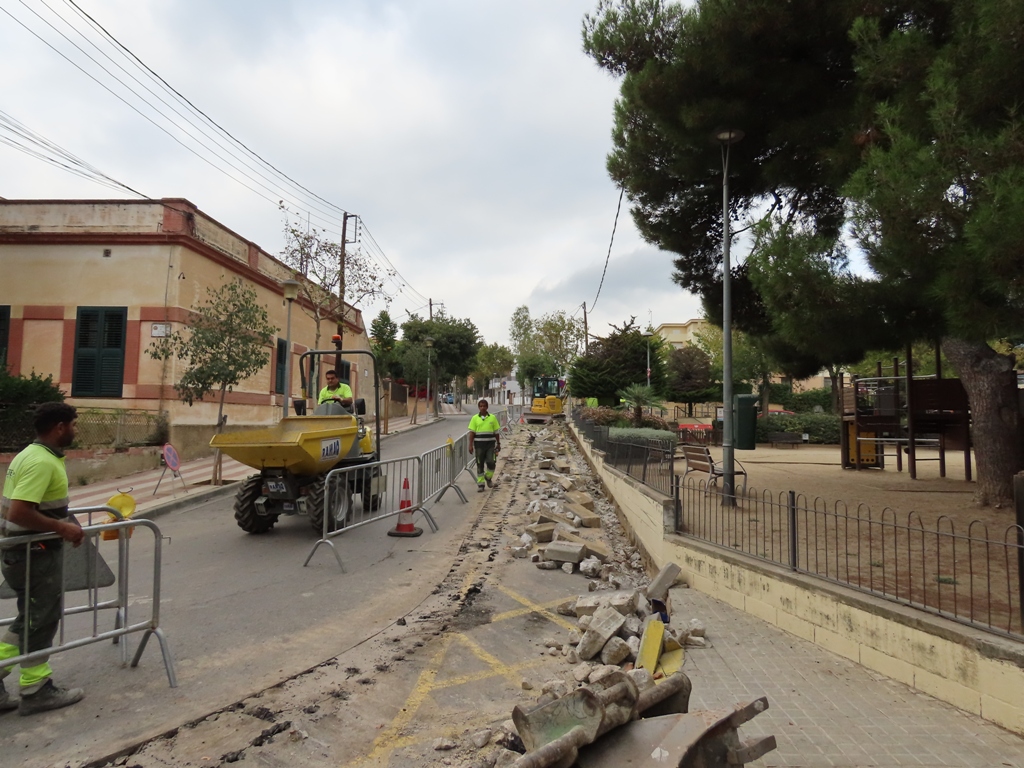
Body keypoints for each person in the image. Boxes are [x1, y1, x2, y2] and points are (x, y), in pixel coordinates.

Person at [0, 402, 86, 716]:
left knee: (28, 619)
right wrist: (62, 527)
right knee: (42, 619)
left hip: (21, 551)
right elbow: (20, 511)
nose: (75, 431)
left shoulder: (28, 454)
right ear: (60, 427)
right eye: (73, 425)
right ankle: (35, 690)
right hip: (34, 552)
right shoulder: (41, 462)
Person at [468, 398, 501, 492]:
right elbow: (472, 433)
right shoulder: (475, 418)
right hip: (479, 445)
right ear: (479, 407)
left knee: (491, 462)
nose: (482, 408)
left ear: (487, 407)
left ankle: (488, 477)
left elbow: (496, 432)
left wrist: (498, 444)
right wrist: (470, 445)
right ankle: (481, 484)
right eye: (481, 406)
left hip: (490, 445)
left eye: (484, 406)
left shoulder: (492, 418)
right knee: (480, 464)